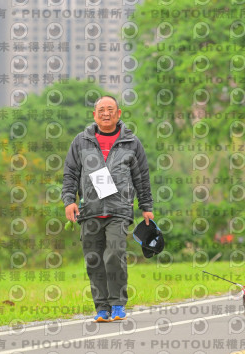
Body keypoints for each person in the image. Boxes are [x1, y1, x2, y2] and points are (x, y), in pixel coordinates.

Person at [62, 95, 154, 322]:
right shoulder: (81, 141)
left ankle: (118, 304)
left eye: (110, 109)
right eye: (101, 110)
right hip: (89, 209)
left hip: (119, 209)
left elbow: (141, 177)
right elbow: (70, 173)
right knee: (93, 259)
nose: (106, 113)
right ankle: (102, 308)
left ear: (118, 113)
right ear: (94, 115)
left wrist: (146, 206)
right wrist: (69, 200)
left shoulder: (131, 142)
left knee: (114, 254)